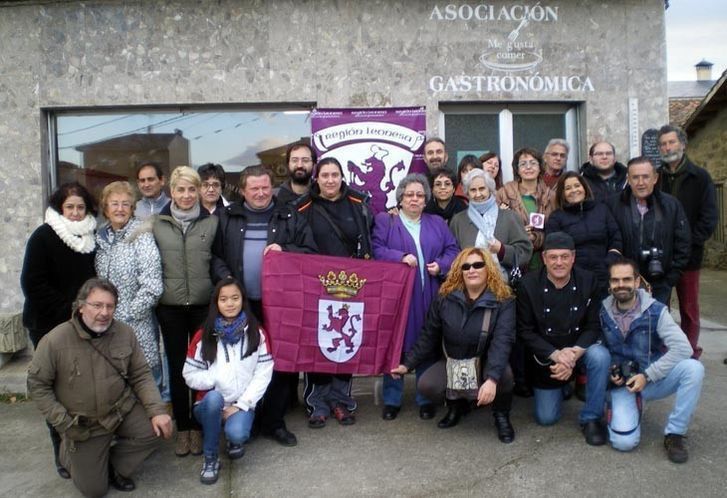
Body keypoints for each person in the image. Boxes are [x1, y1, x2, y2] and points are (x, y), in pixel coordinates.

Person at [27, 278, 172, 497]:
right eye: (97, 305)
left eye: (110, 306)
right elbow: (37, 386)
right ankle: (70, 453)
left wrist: (158, 411)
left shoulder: (124, 333)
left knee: (158, 429)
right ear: (81, 305)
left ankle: (113, 467)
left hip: (120, 411)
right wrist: (63, 423)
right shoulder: (55, 340)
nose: (104, 312)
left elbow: (141, 375)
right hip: (85, 424)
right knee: (94, 490)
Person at [212, 165, 316, 447]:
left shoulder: (290, 214)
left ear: (272, 187)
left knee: (281, 363)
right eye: (254, 188)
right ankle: (250, 419)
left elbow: (310, 252)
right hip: (241, 304)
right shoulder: (227, 216)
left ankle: (274, 422)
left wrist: (287, 250)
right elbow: (215, 256)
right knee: (245, 361)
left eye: (265, 187)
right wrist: (227, 280)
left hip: (281, 304)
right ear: (243, 190)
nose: (260, 193)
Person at [390, 247, 516, 442]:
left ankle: (501, 414)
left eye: (478, 265)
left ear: (488, 268)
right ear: (460, 271)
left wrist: (491, 379)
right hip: (454, 360)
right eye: (466, 266)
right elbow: (428, 335)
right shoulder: (444, 297)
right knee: (427, 385)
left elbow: (503, 341)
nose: (471, 270)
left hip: (485, 361)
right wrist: (407, 364)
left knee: (503, 376)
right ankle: (458, 406)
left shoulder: (504, 300)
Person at [20, 181, 97, 479]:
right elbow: (33, 283)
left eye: (80, 207)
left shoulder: (91, 238)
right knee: (55, 389)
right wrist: (71, 309)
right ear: (59, 208)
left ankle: (85, 443)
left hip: (84, 324)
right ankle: (60, 451)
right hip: (48, 325)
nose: (76, 213)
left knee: (79, 387)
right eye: (70, 207)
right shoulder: (44, 236)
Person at [372, 173, 459, 421]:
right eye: (409, 194)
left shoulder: (437, 223)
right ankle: (391, 399)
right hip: (397, 298)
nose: (414, 199)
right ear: (400, 198)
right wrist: (399, 258)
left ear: (425, 200)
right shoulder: (385, 221)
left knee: (427, 343)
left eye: (419, 195)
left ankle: (425, 398)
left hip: (429, 293)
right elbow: (376, 248)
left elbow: (453, 250)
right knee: (395, 344)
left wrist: (441, 265)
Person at [600, 259, 704, 463]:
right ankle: (629, 406)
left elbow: (684, 348)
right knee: (624, 443)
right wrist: (611, 373)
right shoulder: (602, 311)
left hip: (652, 378)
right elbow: (597, 349)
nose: (621, 284)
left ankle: (675, 434)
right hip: (623, 386)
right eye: (616, 280)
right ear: (610, 284)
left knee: (693, 369)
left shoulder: (656, 310)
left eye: (627, 279)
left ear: (637, 281)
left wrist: (648, 375)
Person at [297, 157, 374, 427]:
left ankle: (341, 401)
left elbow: (371, 238)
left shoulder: (358, 204)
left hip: (349, 286)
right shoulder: (302, 207)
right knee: (316, 346)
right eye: (325, 175)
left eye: (335, 174)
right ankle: (317, 403)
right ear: (316, 178)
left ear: (342, 177)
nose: (330, 179)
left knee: (345, 342)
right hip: (315, 287)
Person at [517, 232, 610, 446]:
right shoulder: (528, 285)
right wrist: (558, 355)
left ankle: (592, 418)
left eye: (564, 257)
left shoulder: (589, 281)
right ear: (544, 258)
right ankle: (562, 385)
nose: (559, 262)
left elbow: (594, 325)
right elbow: (525, 331)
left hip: (579, 350)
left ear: (573, 257)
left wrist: (572, 355)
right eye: (553, 257)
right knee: (546, 419)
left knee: (601, 356)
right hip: (546, 356)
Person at [153, 166, 218, 457]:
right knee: (179, 369)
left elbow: (218, 263)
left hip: (203, 307)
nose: (187, 195)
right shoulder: (157, 224)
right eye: (181, 189)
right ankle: (184, 429)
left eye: (192, 189)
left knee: (204, 367)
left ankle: (202, 424)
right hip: (171, 309)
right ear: (171, 192)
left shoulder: (212, 223)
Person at [183, 278, 274, 484]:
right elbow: (189, 374)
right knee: (214, 399)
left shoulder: (256, 333)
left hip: (240, 404)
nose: (230, 303)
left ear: (243, 300)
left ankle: (233, 439)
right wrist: (217, 380)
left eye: (235, 298)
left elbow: (263, 373)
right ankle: (211, 458)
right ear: (216, 303)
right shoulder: (203, 334)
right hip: (209, 403)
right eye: (223, 299)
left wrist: (241, 404)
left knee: (238, 434)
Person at [95, 181, 164, 391]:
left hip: (136, 325)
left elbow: (152, 284)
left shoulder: (141, 235)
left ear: (132, 208)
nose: (120, 209)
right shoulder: (101, 239)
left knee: (144, 383)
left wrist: (130, 314)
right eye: (114, 204)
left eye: (126, 204)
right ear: (106, 208)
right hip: (106, 324)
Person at [657, 124, 718, 359]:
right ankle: (664, 350)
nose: (667, 147)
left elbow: (709, 217)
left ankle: (690, 352)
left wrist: (688, 243)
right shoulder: (656, 177)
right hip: (660, 256)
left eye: (671, 142)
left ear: (682, 144)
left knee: (689, 309)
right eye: (663, 144)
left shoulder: (700, 177)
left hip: (689, 256)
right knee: (660, 307)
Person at [606, 157, 691, 305]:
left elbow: (683, 243)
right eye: (635, 177)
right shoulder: (612, 205)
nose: (640, 183)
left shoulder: (671, 205)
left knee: (656, 325)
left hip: (660, 282)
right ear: (628, 179)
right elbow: (606, 240)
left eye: (645, 177)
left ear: (655, 178)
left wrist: (671, 278)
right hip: (623, 283)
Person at [545, 171, 622, 298]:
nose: (574, 190)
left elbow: (616, 237)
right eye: (568, 188)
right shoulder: (556, 217)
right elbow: (553, 247)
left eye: (577, 185)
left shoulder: (602, 209)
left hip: (604, 273)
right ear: (562, 194)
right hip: (573, 277)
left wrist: (610, 260)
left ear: (584, 188)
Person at [449, 169, 532, 281]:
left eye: (482, 188)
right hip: (468, 286)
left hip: (503, 286)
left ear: (490, 190)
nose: (478, 194)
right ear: (467, 193)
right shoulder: (458, 220)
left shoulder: (510, 217)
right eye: (473, 190)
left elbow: (525, 252)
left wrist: (501, 250)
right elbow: (452, 254)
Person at [496, 147, 554, 272]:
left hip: (544, 262)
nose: (528, 167)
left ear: (540, 168)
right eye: (523, 164)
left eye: (533, 163)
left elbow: (556, 228)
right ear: (517, 169)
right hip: (513, 262)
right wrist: (519, 233)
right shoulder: (503, 194)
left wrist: (535, 236)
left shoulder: (551, 197)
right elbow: (495, 228)